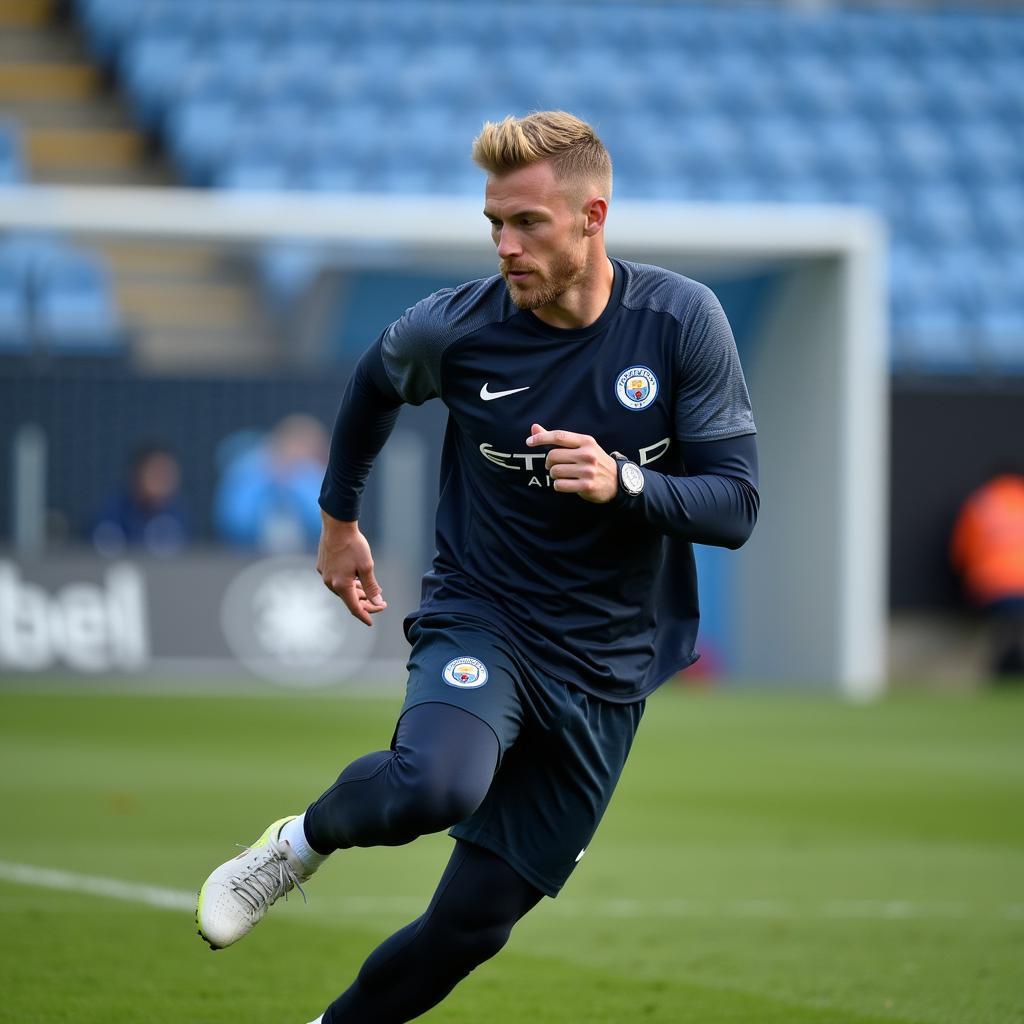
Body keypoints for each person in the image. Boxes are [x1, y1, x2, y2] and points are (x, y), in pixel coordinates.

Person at [196, 111, 760, 1023]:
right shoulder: (455, 329)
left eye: (527, 223)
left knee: (470, 927)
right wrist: (338, 521)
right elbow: (373, 387)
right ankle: (292, 847)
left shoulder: (681, 321)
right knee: (435, 782)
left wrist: (626, 482)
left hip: (608, 668)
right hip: (485, 615)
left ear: (592, 216)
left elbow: (734, 505)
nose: (505, 245)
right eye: (494, 222)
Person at [214, 413, 329, 554]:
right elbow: (234, 522)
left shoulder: (313, 474)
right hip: (245, 555)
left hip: (307, 556)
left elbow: (325, 522)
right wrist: (268, 485)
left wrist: (293, 487)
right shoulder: (247, 471)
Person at [950, 469, 1024, 678]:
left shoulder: (982, 503)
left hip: (991, 584)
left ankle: (1006, 663)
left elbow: (962, 550)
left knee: (1006, 627)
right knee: (1012, 625)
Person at [90, 443, 188, 556]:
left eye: (168, 475)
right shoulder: (110, 515)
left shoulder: (177, 517)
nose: (163, 482)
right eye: (156, 474)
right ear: (138, 475)